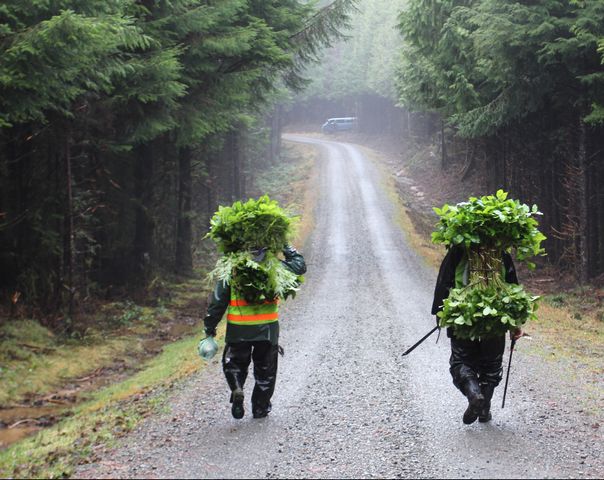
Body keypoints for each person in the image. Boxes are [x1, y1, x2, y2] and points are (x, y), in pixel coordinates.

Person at [202, 245, 306, 420]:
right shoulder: (274, 266)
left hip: (238, 328)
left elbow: (218, 301)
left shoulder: (232, 267)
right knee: (266, 371)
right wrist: (285, 247)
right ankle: (260, 408)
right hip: (267, 329)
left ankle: (237, 388)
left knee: (234, 364)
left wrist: (209, 328)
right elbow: (299, 265)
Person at [431, 244, 522, 424]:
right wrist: (516, 323)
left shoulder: (459, 250)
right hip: (496, 316)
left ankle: (474, 396)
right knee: (492, 366)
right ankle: (483, 407)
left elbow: (444, 281)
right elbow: (512, 286)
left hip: (462, 315)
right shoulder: (500, 250)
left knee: (461, 362)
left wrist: (440, 312)